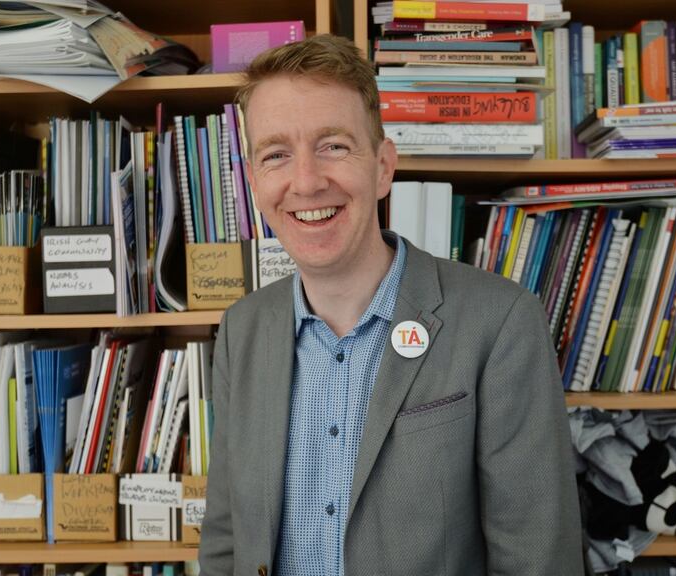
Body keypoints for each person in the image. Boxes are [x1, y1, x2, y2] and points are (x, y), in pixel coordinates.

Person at [199, 34, 582, 576]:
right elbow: (226, 537)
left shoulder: (500, 322)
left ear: (382, 166)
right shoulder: (241, 330)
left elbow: (538, 557)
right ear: (256, 180)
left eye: (333, 145)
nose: (306, 182)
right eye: (276, 155)